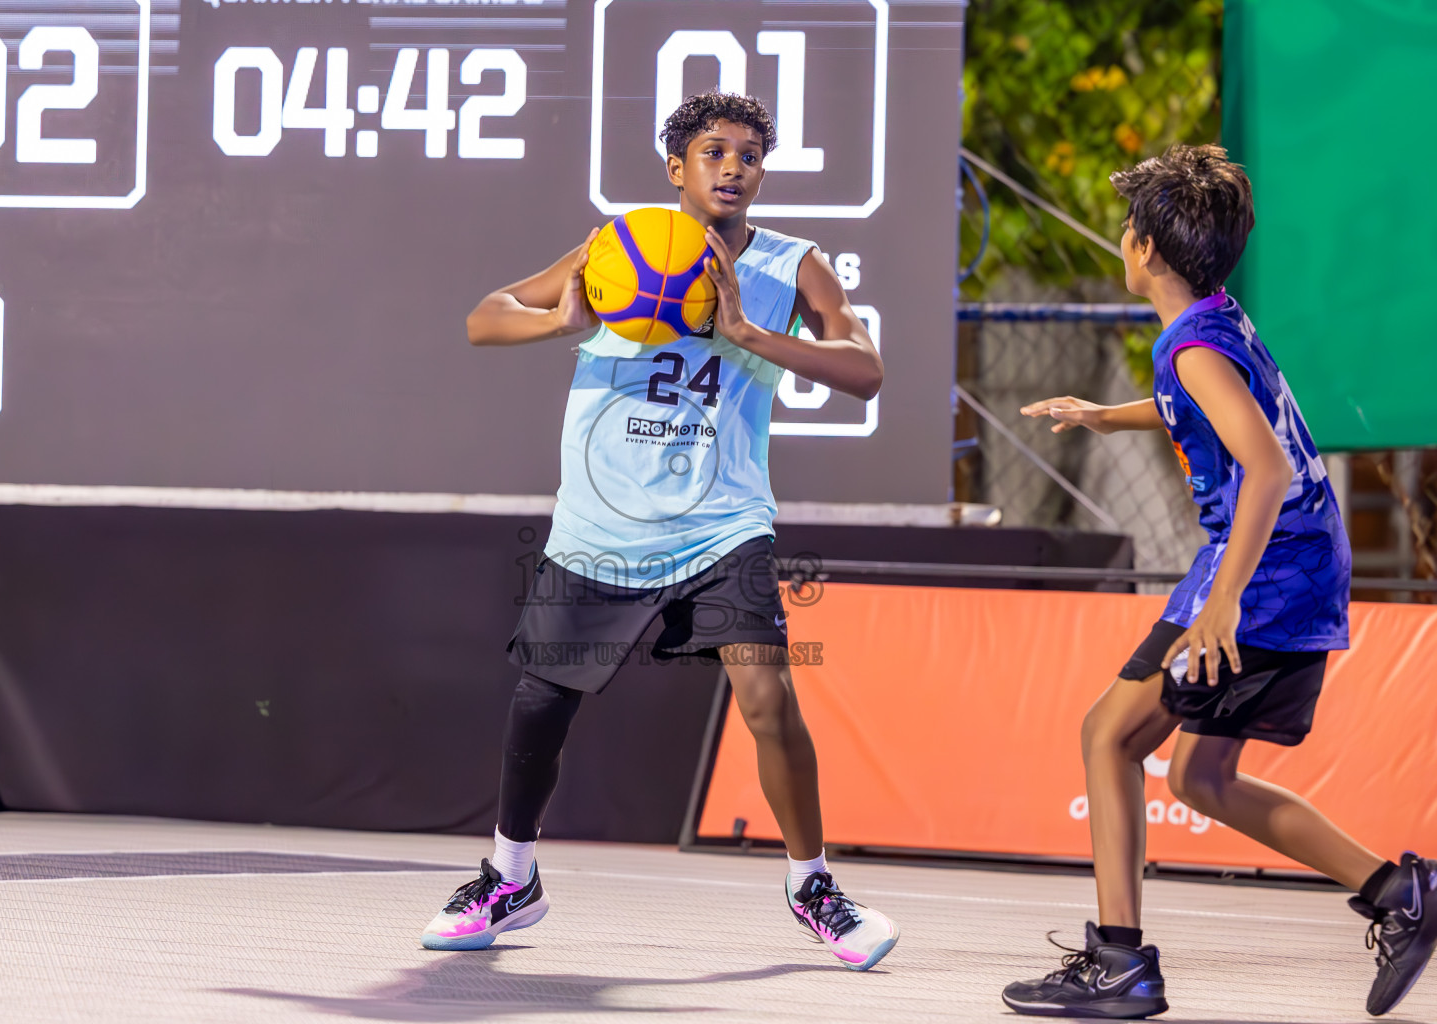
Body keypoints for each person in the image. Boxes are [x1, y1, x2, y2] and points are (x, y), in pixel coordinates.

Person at [420, 90, 898, 972]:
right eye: (715, 151)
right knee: (541, 704)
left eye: (751, 155)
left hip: (723, 523)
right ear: (676, 167)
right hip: (602, 521)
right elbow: (484, 316)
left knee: (767, 698)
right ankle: (510, 877)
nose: (734, 167)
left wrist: (749, 332)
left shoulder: (795, 266)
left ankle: (814, 888)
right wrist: (558, 321)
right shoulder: (616, 249)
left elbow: (865, 372)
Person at [1000, 144, 1437, 1019]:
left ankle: (1120, 962)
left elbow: (1266, 469)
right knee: (1201, 779)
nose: (1124, 239)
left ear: (1146, 250)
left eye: (1128, 229)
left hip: (1264, 572)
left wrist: (1225, 600)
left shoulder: (1189, 347)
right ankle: (1400, 892)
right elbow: (1208, 407)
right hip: (1291, 562)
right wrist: (1105, 417)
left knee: (1110, 737)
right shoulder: (1214, 321)